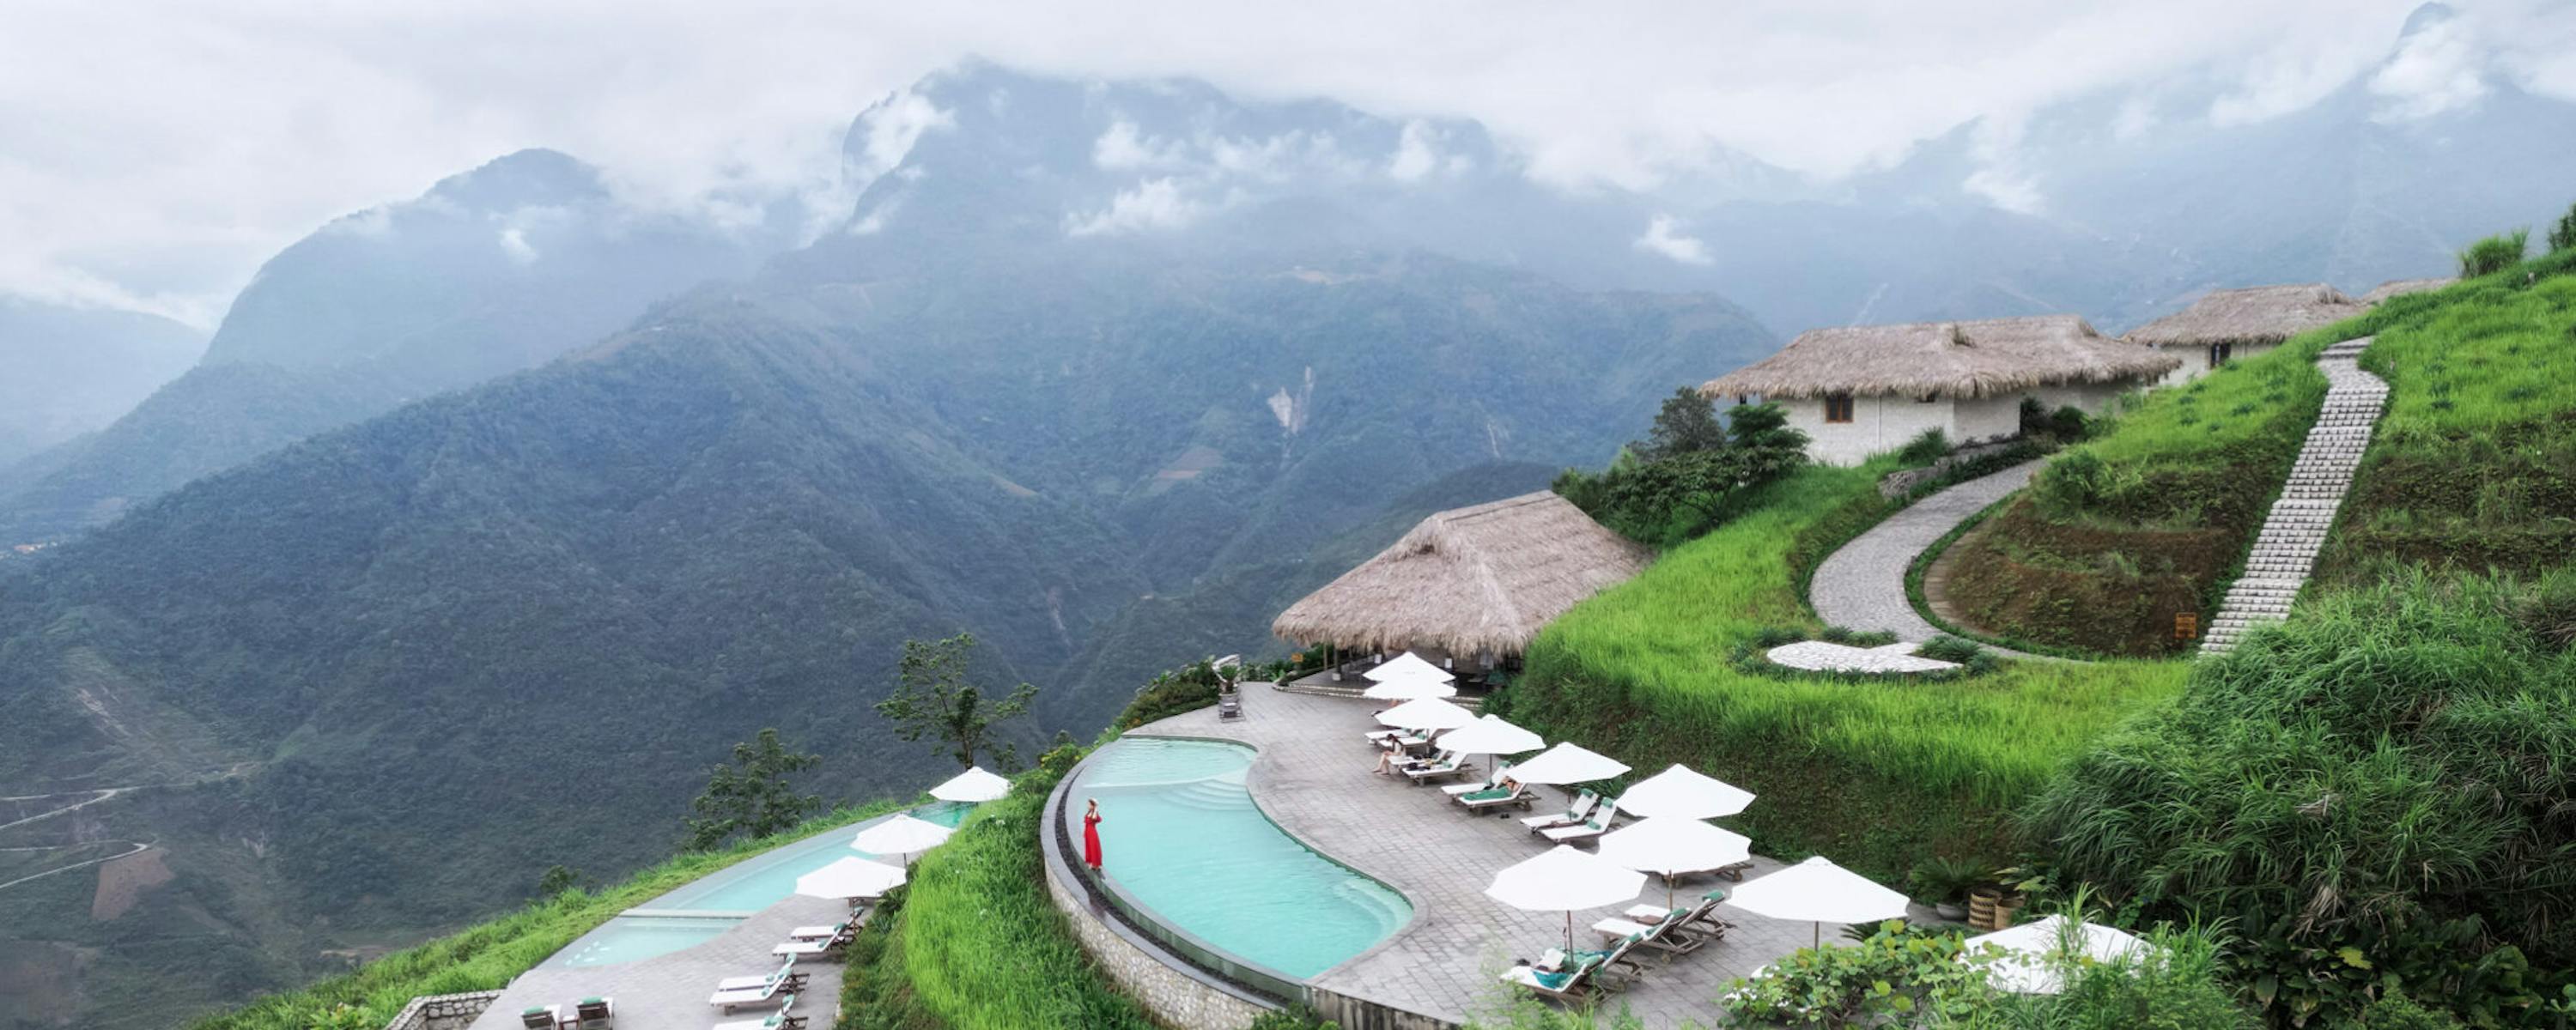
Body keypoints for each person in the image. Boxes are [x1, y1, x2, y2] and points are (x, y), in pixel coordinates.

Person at [1082, 798, 1105, 872]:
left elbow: (1094, 818)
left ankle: (1095, 864)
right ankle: (1092, 863)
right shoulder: (1089, 812)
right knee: (1089, 847)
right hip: (1088, 832)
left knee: (1094, 848)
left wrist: (1096, 808)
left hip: (1092, 833)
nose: (1087, 805)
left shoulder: (1094, 812)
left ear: (1092, 805)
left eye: (1089, 804)